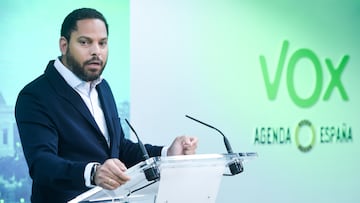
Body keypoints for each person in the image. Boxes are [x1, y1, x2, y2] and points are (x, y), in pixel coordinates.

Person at [15, 8, 198, 203]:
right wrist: (93, 173)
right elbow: (42, 164)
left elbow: (118, 148)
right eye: (85, 42)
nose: (96, 51)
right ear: (64, 45)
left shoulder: (103, 87)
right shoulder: (35, 95)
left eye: (102, 43)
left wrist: (167, 153)